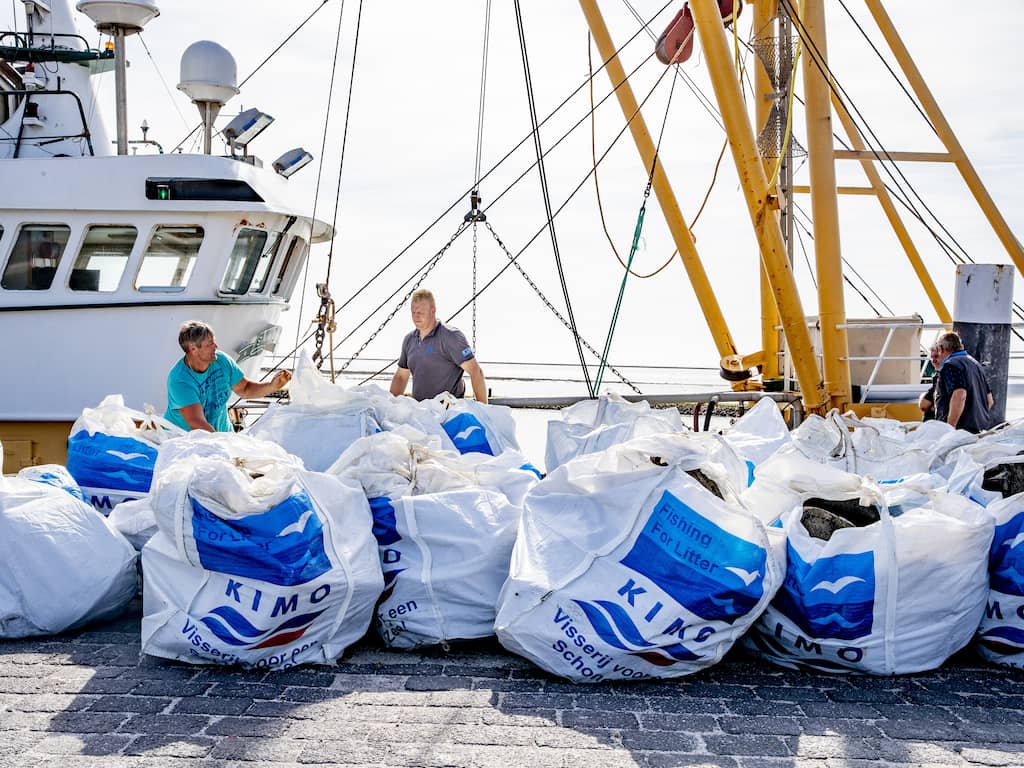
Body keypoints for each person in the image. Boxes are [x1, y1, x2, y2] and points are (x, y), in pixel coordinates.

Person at [165, 320, 291, 432]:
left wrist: (272, 386)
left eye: (214, 342)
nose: (216, 347)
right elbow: (197, 423)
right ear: (193, 349)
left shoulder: (222, 360)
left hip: (221, 435)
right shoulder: (179, 380)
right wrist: (225, 446)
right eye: (210, 344)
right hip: (185, 443)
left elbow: (245, 389)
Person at [389, 289, 488, 403]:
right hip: (420, 413)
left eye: (420, 313)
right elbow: (401, 377)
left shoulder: (451, 337)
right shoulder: (409, 340)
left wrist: (483, 411)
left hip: (449, 413)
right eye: (413, 313)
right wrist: (391, 407)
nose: (416, 317)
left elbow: (475, 371)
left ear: (433, 311)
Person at [932, 331, 994, 433]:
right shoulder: (976, 365)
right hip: (979, 430)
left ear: (942, 349)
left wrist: (950, 429)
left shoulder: (951, 365)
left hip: (960, 432)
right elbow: (989, 400)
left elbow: (959, 395)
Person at [917, 345, 942, 421]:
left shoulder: (941, 376)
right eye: (932, 357)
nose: (933, 360)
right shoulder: (937, 375)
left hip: (936, 424)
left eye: (936, 356)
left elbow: (923, 405)